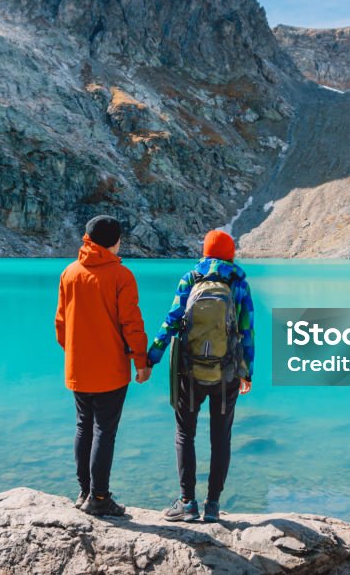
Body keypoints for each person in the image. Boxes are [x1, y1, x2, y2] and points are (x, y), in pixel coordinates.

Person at [147, 229, 254, 523]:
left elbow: (171, 320)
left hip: (189, 371)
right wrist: (247, 373)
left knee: (185, 434)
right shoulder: (238, 282)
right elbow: (247, 330)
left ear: (205, 252)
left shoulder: (191, 278)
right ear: (231, 253)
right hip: (227, 372)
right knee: (221, 438)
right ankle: (213, 505)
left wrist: (152, 356)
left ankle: (187, 503)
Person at [55, 215, 151, 516]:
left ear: (88, 238)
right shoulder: (121, 276)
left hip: (78, 368)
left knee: (84, 426)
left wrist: (74, 353)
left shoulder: (69, 272)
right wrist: (141, 361)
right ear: (115, 242)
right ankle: (99, 498)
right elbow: (131, 324)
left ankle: (84, 491)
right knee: (104, 432)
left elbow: (60, 323)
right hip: (110, 370)